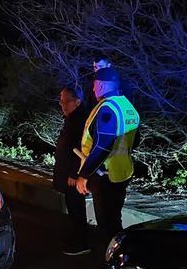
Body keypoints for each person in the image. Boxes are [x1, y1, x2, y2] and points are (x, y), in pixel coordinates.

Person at [75, 67, 140, 254]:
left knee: (106, 227)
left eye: (95, 86)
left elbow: (101, 147)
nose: (93, 90)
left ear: (101, 85)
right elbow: (134, 141)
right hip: (122, 172)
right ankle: (120, 261)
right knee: (114, 221)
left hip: (105, 176)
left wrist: (83, 175)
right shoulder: (128, 107)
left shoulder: (107, 109)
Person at [52, 87, 91, 254]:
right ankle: (77, 237)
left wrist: (75, 173)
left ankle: (82, 242)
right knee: (72, 206)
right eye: (61, 101)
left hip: (73, 175)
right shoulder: (71, 119)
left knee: (76, 207)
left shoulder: (80, 120)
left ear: (77, 101)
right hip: (67, 171)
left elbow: (82, 148)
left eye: (67, 101)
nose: (63, 105)